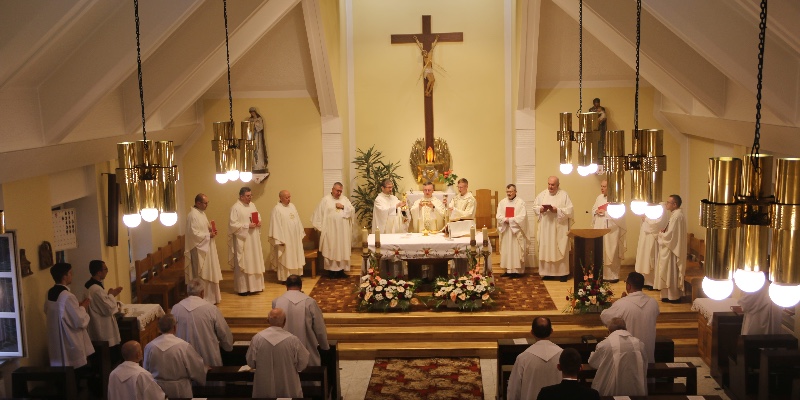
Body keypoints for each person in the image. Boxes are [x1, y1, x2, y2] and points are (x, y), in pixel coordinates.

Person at [247, 308, 310, 398]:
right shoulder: (292, 340)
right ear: (284, 321)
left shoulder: (257, 339)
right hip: (288, 384)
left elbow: (251, 362)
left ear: (267, 320)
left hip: (264, 385)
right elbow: (303, 362)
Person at [171, 279, 233, 366]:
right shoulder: (211, 309)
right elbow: (223, 331)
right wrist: (228, 347)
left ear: (187, 292)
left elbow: (172, 333)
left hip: (184, 358)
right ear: (202, 293)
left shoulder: (176, 309)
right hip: (208, 357)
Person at [600, 272, 660, 363]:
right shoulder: (653, 303)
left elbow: (604, 317)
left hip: (628, 356)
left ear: (628, 286)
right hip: (648, 356)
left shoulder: (622, 304)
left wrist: (621, 301)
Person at [143, 314, 206, 398]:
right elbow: (196, 367)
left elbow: (146, 371)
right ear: (175, 328)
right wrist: (204, 369)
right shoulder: (183, 346)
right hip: (180, 389)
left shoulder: (149, 347)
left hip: (157, 389)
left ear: (159, 328)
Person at [272, 275, 329, 366]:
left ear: (286, 286)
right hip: (307, 349)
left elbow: (274, 327)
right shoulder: (309, 302)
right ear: (301, 286)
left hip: (283, 350)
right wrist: (324, 346)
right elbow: (319, 328)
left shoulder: (276, 302)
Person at [45, 262, 94, 368]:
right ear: (64, 276)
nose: (72, 276)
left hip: (55, 339)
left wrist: (77, 306)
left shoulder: (49, 292)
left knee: (61, 373)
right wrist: (83, 307)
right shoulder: (67, 296)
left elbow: (54, 312)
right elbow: (79, 321)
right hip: (69, 339)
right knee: (73, 371)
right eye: (70, 273)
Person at [507, 317, 563, 400]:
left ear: (532, 332)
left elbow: (514, 390)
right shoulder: (563, 355)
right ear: (551, 331)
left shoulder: (523, 358)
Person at [587, 317, 647, 396]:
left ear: (609, 331)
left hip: (610, 391)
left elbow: (593, 363)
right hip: (635, 391)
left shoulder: (605, 345)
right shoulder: (639, 344)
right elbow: (644, 364)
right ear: (625, 328)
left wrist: (592, 354)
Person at [533, 176, 574, 281]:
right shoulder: (542, 195)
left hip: (558, 228)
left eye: (553, 185)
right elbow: (535, 207)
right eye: (549, 184)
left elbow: (570, 210)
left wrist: (558, 210)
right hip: (546, 228)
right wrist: (541, 209)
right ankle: (547, 273)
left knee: (559, 248)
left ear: (558, 185)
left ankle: (563, 273)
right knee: (546, 248)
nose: (550, 187)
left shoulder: (564, 195)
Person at [185, 193, 223, 304]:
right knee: (203, 273)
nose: (207, 205)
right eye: (205, 203)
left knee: (209, 271)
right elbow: (193, 234)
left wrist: (211, 230)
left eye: (207, 203)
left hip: (207, 248)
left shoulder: (201, 214)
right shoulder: (192, 215)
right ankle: (204, 298)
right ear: (198, 203)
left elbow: (202, 229)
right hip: (199, 250)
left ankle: (212, 297)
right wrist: (208, 235)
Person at [312, 182, 353, 279]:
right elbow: (317, 215)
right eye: (337, 190)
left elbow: (352, 210)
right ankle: (331, 272)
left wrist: (343, 207)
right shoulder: (325, 200)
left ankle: (341, 271)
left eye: (340, 191)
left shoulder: (344, 199)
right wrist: (322, 229)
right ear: (332, 189)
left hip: (342, 232)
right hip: (330, 231)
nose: (339, 193)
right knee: (331, 249)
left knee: (342, 249)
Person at [229, 186, 265, 295]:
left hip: (253, 238)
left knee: (254, 260)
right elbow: (233, 225)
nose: (250, 198)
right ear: (241, 196)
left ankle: (256, 287)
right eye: (248, 196)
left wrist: (259, 222)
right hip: (243, 240)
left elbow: (257, 216)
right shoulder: (235, 208)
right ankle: (243, 288)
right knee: (245, 261)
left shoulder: (252, 205)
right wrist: (247, 226)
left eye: (251, 195)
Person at [591, 180, 627, 282]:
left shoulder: (617, 199)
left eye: (604, 186)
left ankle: (612, 276)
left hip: (612, 231)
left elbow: (620, 215)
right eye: (601, 186)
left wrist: (606, 213)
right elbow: (593, 209)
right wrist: (596, 211)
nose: (602, 188)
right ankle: (601, 274)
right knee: (601, 251)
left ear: (610, 188)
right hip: (599, 228)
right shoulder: (599, 198)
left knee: (611, 252)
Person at [84, 260, 122, 356]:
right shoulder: (96, 290)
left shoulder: (93, 286)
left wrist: (110, 295)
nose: (107, 271)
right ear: (98, 272)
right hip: (103, 329)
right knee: (108, 356)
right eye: (105, 269)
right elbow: (108, 309)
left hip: (100, 326)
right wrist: (111, 295)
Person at [269, 190, 306, 282]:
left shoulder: (292, 206)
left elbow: (297, 220)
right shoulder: (277, 209)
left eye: (289, 197)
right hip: (285, 239)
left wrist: (300, 232)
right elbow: (275, 226)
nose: (289, 199)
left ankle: (296, 276)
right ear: (280, 198)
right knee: (286, 257)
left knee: (295, 256)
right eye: (286, 197)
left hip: (294, 238)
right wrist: (279, 240)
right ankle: (285, 278)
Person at [656, 195, 687, 303]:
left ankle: (672, 296)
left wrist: (661, 234)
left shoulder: (677, 216)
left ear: (675, 204)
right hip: (672, 247)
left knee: (671, 272)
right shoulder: (676, 215)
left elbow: (671, 235)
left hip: (672, 250)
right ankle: (666, 295)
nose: (666, 204)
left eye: (668, 202)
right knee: (668, 271)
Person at [496, 184, 528, 278]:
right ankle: (508, 270)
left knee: (515, 250)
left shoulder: (520, 202)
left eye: (511, 191)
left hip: (516, 231)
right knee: (507, 250)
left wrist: (510, 220)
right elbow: (499, 215)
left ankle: (517, 271)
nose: (509, 193)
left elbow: (522, 217)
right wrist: (505, 220)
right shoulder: (502, 202)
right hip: (506, 229)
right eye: (507, 192)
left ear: (515, 192)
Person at [634, 203, 668, 289]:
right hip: (645, 235)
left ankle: (652, 282)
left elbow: (659, 222)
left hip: (653, 236)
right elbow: (644, 221)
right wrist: (643, 218)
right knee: (644, 258)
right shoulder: (646, 205)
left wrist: (646, 218)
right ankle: (645, 280)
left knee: (652, 258)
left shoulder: (661, 206)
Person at [248, 106, 268, 173]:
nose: (252, 113)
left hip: (258, 136)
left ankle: (260, 165)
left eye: (253, 112)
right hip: (252, 137)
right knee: (253, 151)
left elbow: (260, 127)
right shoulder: (250, 120)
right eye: (251, 112)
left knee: (259, 151)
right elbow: (248, 129)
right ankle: (254, 166)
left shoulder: (259, 119)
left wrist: (255, 124)